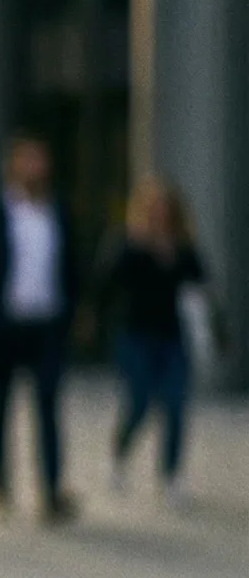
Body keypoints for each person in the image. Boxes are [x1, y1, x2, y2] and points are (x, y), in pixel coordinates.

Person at [0, 135, 79, 524]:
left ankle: (51, 489)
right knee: (0, 407)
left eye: (39, 160)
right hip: (4, 325)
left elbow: (72, 264)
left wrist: (76, 313)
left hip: (46, 323)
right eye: (26, 160)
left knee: (47, 405)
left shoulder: (57, 212)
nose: (34, 168)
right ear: (12, 166)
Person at [98, 180, 212, 505]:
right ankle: (119, 453)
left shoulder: (184, 249)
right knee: (140, 400)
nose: (160, 216)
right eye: (154, 209)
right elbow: (107, 281)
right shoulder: (129, 245)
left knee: (176, 405)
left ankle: (171, 475)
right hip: (136, 336)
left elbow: (202, 291)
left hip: (174, 338)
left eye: (165, 210)